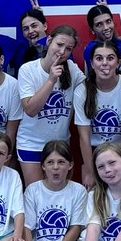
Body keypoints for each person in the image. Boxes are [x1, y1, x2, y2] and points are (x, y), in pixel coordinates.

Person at [17, 25, 84, 185]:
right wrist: (51, 80)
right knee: (35, 196)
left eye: (68, 49)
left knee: (59, 197)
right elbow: (30, 109)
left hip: (60, 145)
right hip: (31, 144)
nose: (62, 52)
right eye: (59, 45)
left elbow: (91, 88)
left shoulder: (72, 70)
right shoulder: (28, 69)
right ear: (49, 41)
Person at [19, 140, 86, 241]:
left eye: (61, 162)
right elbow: (27, 227)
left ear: (70, 165)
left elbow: (76, 228)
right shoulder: (32, 190)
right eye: (50, 162)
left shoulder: (78, 190)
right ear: (43, 166)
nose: (55, 168)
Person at [74, 40, 121, 187]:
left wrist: (120, 168)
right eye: (99, 58)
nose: (104, 63)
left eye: (110, 58)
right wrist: (91, 172)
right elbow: (84, 138)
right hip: (93, 151)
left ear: (118, 63)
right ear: (92, 64)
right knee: (92, 194)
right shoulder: (81, 91)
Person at [81, 0, 121, 69]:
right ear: (92, 30)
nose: (106, 27)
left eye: (108, 21)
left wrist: (106, 10)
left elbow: (116, 37)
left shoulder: (117, 42)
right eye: (99, 24)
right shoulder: (93, 48)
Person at [11, 3, 49, 73]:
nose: (30, 31)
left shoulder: (58, 48)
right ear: (22, 34)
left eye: (34, 26)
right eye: (26, 29)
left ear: (45, 26)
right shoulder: (21, 52)